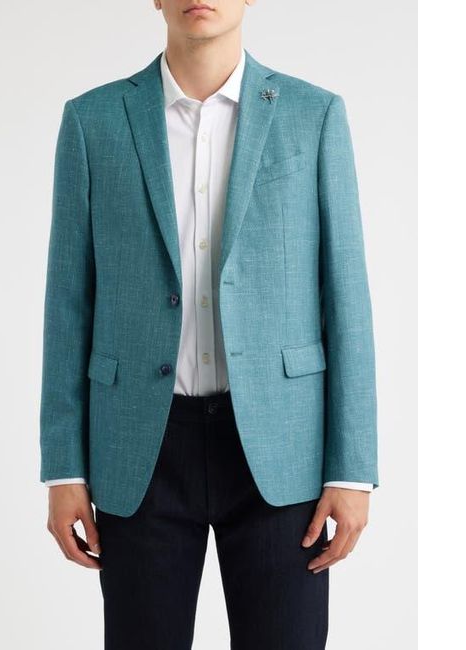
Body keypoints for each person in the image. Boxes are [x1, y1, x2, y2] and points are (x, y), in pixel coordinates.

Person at [40, 1, 378, 648]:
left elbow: (347, 298)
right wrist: (64, 471)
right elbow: (67, 303)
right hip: (140, 444)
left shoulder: (314, 115)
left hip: (282, 447)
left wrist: (351, 471)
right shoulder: (92, 121)